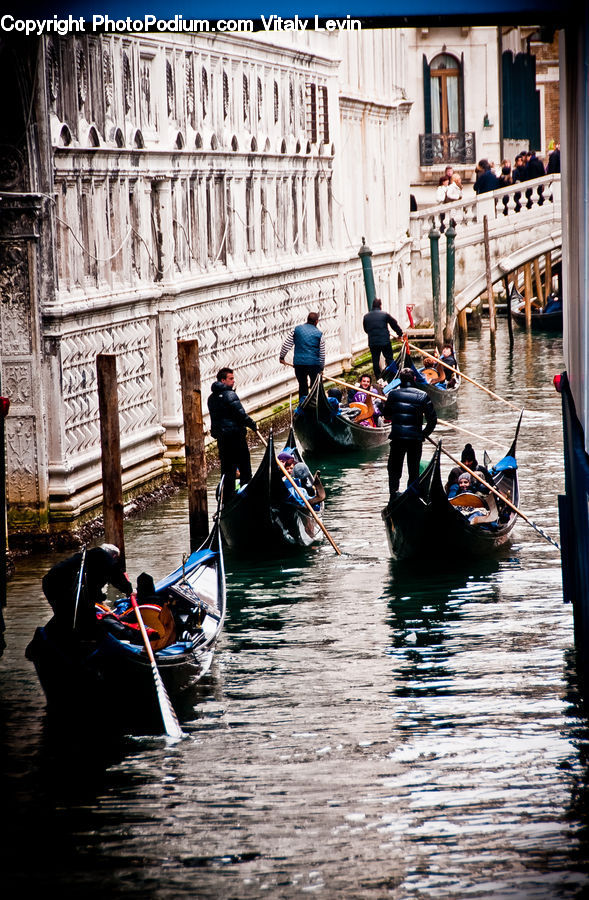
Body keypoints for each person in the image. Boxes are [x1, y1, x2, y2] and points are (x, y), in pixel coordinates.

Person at [41, 543, 133, 636]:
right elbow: (116, 576)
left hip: (49, 583)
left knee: (65, 615)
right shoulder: (104, 558)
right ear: (114, 556)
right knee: (73, 615)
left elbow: (92, 586)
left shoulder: (88, 558)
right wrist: (130, 591)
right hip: (60, 585)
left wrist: (100, 599)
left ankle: (68, 635)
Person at [381, 368, 437, 499]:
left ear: (400, 380)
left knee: (394, 470)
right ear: (415, 379)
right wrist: (423, 434)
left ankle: (393, 496)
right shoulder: (422, 395)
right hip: (415, 440)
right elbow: (432, 420)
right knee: (413, 470)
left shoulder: (393, 395)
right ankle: (411, 497)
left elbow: (387, 415)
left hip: (398, 438)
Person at [207, 366, 258, 501]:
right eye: (231, 379)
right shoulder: (230, 395)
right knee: (245, 469)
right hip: (236, 437)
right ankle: (246, 498)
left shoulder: (211, 398)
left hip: (222, 439)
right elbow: (241, 415)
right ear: (223, 380)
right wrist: (253, 425)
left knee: (227, 470)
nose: (233, 381)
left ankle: (227, 499)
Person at [279, 311, 325, 399]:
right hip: (313, 365)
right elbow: (322, 354)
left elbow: (286, 345)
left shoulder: (296, 330)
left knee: (302, 386)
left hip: (299, 364)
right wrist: (321, 368)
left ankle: (303, 406)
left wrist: (282, 357)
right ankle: (315, 406)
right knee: (315, 388)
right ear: (316, 322)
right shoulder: (319, 334)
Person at [362, 298, 404, 380]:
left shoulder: (366, 317)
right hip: (385, 341)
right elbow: (394, 324)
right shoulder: (385, 315)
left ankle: (378, 378)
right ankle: (395, 375)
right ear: (380, 305)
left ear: (372, 306)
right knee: (389, 358)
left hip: (373, 342)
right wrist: (400, 334)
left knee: (375, 360)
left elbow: (366, 329)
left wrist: (373, 334)